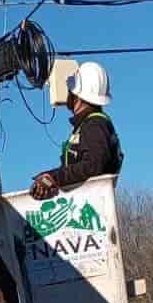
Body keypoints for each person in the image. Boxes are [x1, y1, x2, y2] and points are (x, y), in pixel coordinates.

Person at [30, 61, 122, 201]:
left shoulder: (95, 125)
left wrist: (54, 178)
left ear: (77, 95)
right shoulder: (88, 125)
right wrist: (49, 178)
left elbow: (93, 165)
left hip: (92, 207)